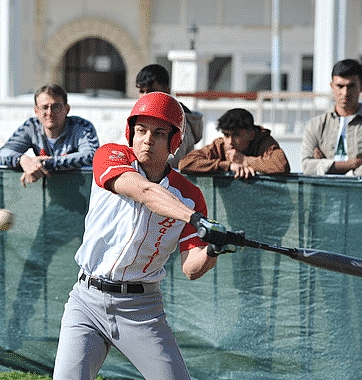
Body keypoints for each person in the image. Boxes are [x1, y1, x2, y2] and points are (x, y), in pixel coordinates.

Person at [52, 91, 234, 380]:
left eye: (159, 133)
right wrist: (196, 219)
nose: (148, 139)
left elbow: (190, 268)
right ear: (131, 133)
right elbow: (145, 192)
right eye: (141, 130)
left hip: (142, 309)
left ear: (174, 141)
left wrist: (213, 249)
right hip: (86, 301)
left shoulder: (189, 195)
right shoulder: (111, 155)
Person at [301, 59, 362, 177]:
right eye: (340, 86)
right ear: (332, 86)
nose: (345, 92)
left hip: (360, 194)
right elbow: (307, 167)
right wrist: (351, 164)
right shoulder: (315, 125)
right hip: (323, 193)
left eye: (351, 86)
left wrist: (326, 167)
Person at [0, 84, 99, 186]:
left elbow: (91, 155)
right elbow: (0, 155)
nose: (50, 112)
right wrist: (22, 160)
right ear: (36, 111)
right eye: (44, 107)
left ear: (66, 109)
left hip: (78, 191)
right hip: (46, 196)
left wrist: (47, 164)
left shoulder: (82, 126)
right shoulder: (31, 126)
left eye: (56, 107)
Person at [178, 108, 290, 178]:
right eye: (226, 135)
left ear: (251, 134)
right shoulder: (219, 145)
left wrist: (245, 160)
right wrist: (228, 165)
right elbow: (185, 163)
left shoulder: (265, 142)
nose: (230, 141)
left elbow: (281, 165)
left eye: (236, 135)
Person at [136, 64, 203, 168]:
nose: (145, 96)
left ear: (166, 91)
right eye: (141, 91)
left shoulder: (177, 119)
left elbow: (172, 160)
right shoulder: (141, 117)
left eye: (150, 91)